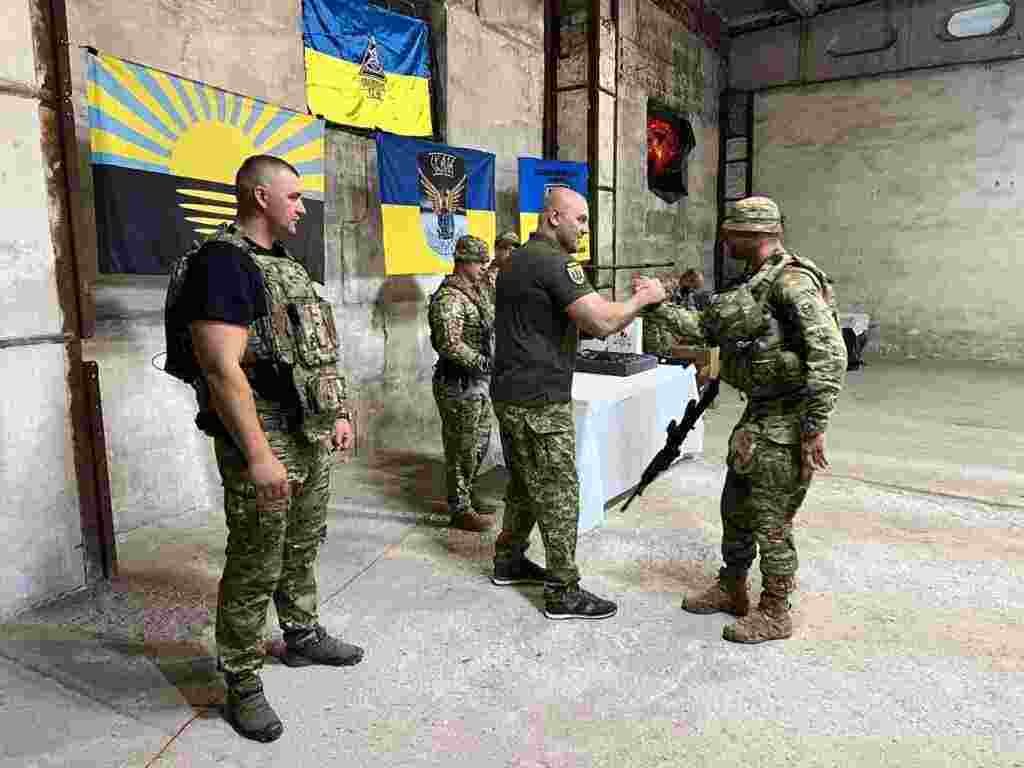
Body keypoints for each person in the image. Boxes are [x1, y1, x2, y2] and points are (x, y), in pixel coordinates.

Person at [171, 155, 364, 742]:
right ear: (260, 197)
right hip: (264, 431)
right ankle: (241, 677)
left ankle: (301, 634)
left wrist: (338, 413)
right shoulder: (223, 262)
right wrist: (257, 454)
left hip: (308, 429)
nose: (302, 208)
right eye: (294, 197)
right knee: (257, 558)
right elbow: (220, 367)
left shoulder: (286, 264)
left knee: (303, 542)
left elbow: (313, 349)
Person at [638, 196, 847, 643]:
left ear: (754, 234)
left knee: (771, 521)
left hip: (787, 423)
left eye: (731, 233)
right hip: (758, 417)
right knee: (735, 509)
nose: (725, 240)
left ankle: (775, 610)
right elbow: (710, 329)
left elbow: (830, 353)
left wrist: (814, 426)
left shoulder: (792, 282)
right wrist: (656, 304)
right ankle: (732, 586)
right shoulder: (756, 280)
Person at [489, 187, 667, 620]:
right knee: (559, 491)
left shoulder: (517, 259)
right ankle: (562, 591)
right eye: (581, 219)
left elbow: (559, 320)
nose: (585, 229)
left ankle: (509, 560)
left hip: (512, 393)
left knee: (524, 483)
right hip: (538, 400)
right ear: (554, 217)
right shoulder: (555, 263)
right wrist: (643, 299)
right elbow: (601, 322)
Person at [428, 234, 497, 533]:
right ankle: (459, 508)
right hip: (458, 384)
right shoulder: (450, 298)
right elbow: (449, 344)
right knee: (461, 448)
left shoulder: (476, 291)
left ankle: (467, 493)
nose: (484, 266)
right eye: (479, 261)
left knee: (478, 443)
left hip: (477, 383)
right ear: (463, 262)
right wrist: (485, 363)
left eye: (485, 261)